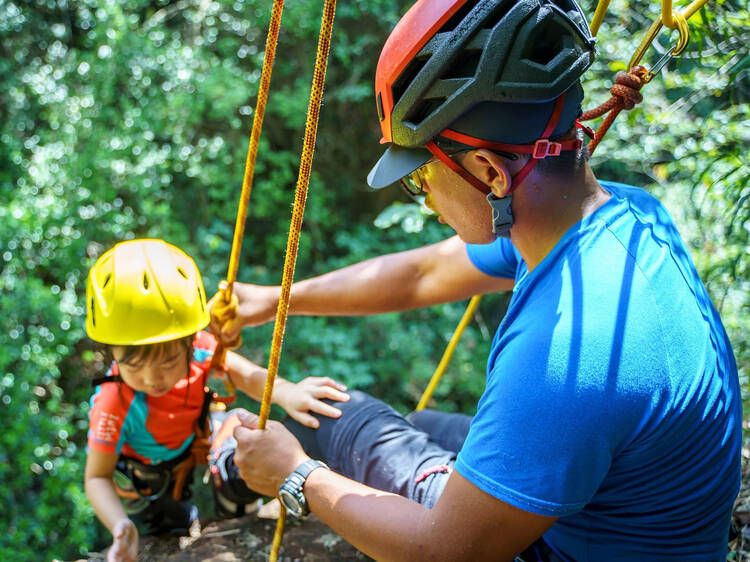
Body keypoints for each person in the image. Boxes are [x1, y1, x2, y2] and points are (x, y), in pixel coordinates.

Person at [212, 0, 741, 560]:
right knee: (421, 424)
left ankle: (233, 473)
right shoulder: (625, 217)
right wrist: (276, 300)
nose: (428, 200)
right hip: (625, 529)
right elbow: (423, 273)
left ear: (489, 172)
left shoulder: (565, 356)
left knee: (348, 423)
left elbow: (445, 552)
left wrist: (297, 477)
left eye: (422, 179)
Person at [83, 239, 349, 562]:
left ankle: (238, 511)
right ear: (112, 352)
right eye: (134, 366)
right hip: (148, 475)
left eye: (168, 362)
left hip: (197, 440)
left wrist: (287, 392)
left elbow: (247, 375)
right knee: (168, 526)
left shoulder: (200, 351)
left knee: (240, 436)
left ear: (189, 343)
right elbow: (97, 475)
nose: (152, 379)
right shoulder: (114, 402)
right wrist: (119, 524)